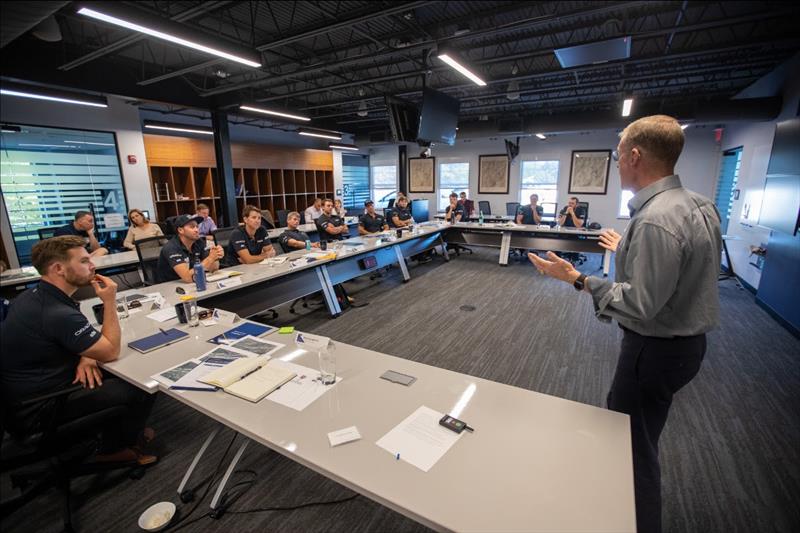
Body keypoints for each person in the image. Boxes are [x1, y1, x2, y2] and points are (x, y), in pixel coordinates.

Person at [529, 114, 721, 533]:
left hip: (653, 350)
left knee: (631, 448)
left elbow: (640, 303)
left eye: (618, 157)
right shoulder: (698, 205)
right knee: (641, 432)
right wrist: (629, 249)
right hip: (687, 347)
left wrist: (577, 278)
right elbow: (687, 271)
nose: (617, 165)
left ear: (635, 156)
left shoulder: (654, 220)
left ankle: (635, 521)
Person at [0, 236, 157, 465]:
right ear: (58, 269)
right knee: (141, 383)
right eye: (84, 261)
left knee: (114, 369)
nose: (93, 265)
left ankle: (126, 431)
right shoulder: (56, 312)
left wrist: (86, 355)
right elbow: (111, 350)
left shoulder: (36, 296)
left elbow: (69, 338)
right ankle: (111, 450)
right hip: (41, 408)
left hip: (26, 396)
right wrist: (109, 301)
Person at [156, 214, 224, 283]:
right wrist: (210, 258)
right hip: (170, 286)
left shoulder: (199, 242)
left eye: (197, 226)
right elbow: (187, 278)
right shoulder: (171, 247)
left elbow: (214, 268)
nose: (197, 230)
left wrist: (216, 256)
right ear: (180, 230)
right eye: (192, 227)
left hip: (192, 283)